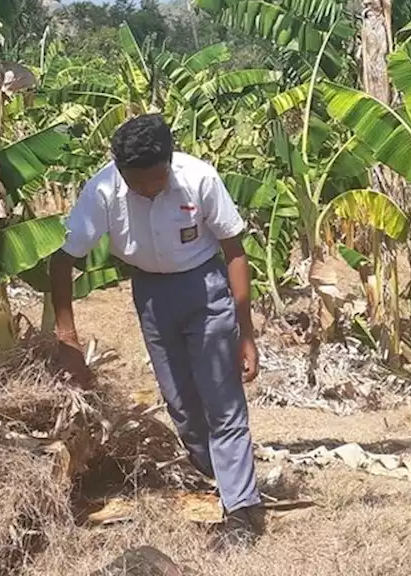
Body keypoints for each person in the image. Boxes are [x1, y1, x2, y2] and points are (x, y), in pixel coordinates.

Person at [50, 114, 263, 549]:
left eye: (154, 180)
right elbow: (63, 259)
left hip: (204, 288)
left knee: (222, 402)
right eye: (136, 183)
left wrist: (246, 332)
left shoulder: (199, 179)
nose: (146, 190)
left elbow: (234, 250)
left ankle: (242, 509)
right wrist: (66, 335)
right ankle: (220, 476)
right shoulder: (104, 189)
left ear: (169, 161)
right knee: (181, 406)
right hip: (150, 295)